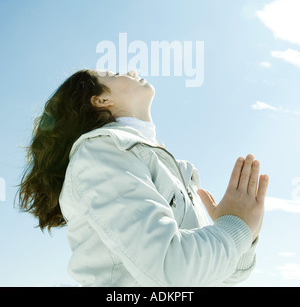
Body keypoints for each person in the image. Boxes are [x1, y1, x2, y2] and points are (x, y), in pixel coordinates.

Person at [18, 68, 269, 287]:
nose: (132, 71)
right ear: (101, 99)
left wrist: (245, 231)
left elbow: (222, 277)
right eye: (115, 75)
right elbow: (170, 269)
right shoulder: (101, 152)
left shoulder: (169, 167)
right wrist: (235, 226)